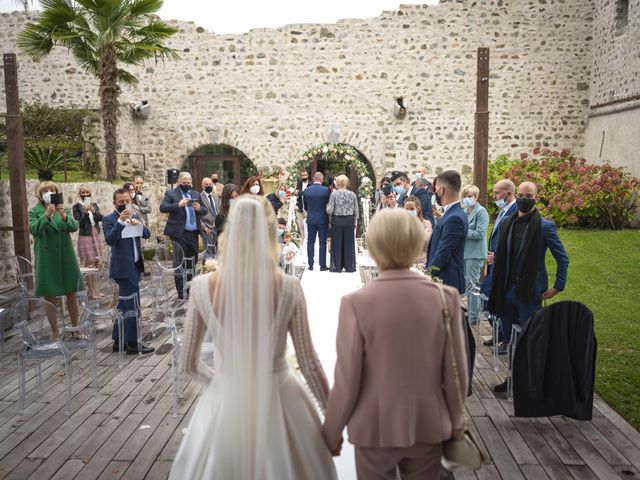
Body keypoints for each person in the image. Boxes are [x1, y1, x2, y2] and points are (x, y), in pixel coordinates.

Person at [169, 195, 337, 480]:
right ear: (269, 233)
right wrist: (332, 422)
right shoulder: (289, 287)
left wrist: (225, 383)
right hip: (281, 396)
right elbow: (308, 362)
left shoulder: (200, 288)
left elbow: (188, 364)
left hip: (225, 399)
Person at [322, 208, 468, 480]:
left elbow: (347, 380)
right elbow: (456, 371)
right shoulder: (445, 298)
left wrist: (331, 433)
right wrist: (455, 422)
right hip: (429, 423)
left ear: (374, 247)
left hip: (374, 427)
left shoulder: (356, 303)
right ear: (416, 244)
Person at [489, 181, 569, 383]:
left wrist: (558, 286)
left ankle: (530, 381)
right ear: (515, 196)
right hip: (507, 291)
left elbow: (562, 258)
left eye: (529, 196)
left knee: (529, 339)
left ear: (536, 198)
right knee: (509, 337)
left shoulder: (545, 227)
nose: (524, 200)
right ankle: (514, 378)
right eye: (521, 195)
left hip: (529, 292)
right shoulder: (508, 223)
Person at [103, 188, 154, 354]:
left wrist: (139, 225)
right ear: (114, 203)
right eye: (121, 202)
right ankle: (132, 343)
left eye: (127, 201)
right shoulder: (109, 219)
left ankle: (118, 342)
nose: (125, 204)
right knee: (132, 304)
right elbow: (110, 240)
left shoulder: (136, 215)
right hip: (122, 268)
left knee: (124, 304)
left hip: (135, 265)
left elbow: (147, 234)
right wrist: (120, 222)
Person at [28, 181, 81, 339]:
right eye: (45, 191)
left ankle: (76, 328)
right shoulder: (35, 211)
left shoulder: (62, 208)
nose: (49, 193)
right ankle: (54, 331)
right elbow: (34, 230)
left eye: (52, 190)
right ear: (40, 194)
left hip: (66, 257)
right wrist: (46, 216)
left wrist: (64, 216)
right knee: (49, 296)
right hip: (47, 259)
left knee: (72, 293)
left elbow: (74, 227)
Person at [480, 179, 518, 347]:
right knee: (486, 298)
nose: (494, 196)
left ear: (509, 194)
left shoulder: (515, 211)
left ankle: (505, 337)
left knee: (500, 302)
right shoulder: (503, 211)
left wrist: (498, 257)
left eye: (497, 193)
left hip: (504, 266)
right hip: (493, 265)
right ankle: (499, 333)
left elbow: (516, 242)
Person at [160, 172, 208, 299]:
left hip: (193, 234)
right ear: (178, 182)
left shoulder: (196, 194)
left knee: (192, 262)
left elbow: (205, 210)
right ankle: (181, 292)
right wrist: (178, 205)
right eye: (184, 182)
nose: (186, 184)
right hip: (178, 234)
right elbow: (163, 207)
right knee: (179, 262)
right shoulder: (171, 193)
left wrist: (199, 209)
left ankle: (190, 289)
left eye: (188, 183)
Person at [427, 170, 468, 293]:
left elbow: (443, 252)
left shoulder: (454, 217)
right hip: (443, 280)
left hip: (447, 281)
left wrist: (428, 275)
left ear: (442, 190)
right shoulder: (452, 213)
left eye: (436, 189)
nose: (435, 193)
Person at [461, 185, 489, 323]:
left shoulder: (481, 211)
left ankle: (474, 317)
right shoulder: (465, 211)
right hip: (466, 253)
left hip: (476, 253)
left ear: (476, 197)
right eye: (465, 196)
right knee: (468, 285)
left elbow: (480, 233)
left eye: (470, 196)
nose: (467, 198)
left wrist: (462, 231)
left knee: (473, 285)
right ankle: (472, 313)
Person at [73, 184, 104, 298]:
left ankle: (95, 290)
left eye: (87, 192)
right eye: (83, 192)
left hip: (96, 233)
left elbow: (101, 218)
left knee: (96, 262)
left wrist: (94, 211)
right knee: (89, 263)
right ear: (80, 194)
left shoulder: (94, 205)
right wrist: (85, 214)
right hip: (85, 235)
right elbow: (79, 223)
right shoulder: (76, 206)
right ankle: (90, 291)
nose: (85, 194)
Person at [327, 175, 358, 273]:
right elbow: (356, 209)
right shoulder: (352, 194)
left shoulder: (334, 195)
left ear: (338, 183)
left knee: (337, 243)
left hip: (337, 221)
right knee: (349, 244)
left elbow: (330, 210)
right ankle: (349, 266)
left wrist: (327, 208)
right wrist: (355, 221)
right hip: (349, 220)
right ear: (346, 183)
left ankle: (337, 266)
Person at [303, 172, 331, 271]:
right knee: (322, 242)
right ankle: (322, 265)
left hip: (311, 218)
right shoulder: (326, 190)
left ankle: (310, 264)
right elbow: (328, 204)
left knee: (310, 241)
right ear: (322, 179)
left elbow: (305, 206)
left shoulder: (306, 190)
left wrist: (310, 212)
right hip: (322, 218)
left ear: (313, 179)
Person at [404, 195, 432, 263]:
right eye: (406, 209)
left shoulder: (426, 224)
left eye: (411, 209)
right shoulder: (401, 225)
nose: (409, 211)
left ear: (418, 209)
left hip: (421, 263)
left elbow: (424, 243)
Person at [200, 176, 220, 255]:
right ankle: (207, 267)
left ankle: (215, 267)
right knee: (208, 251)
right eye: (206, 184)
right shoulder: (199, 197)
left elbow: (219, 210)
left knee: (216, 251)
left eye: (210, 184)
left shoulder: (215, 197)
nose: (209, 186)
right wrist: (204, 227)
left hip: (216, 227)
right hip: (206, 228)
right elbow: (197, 215)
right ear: (202, 186)